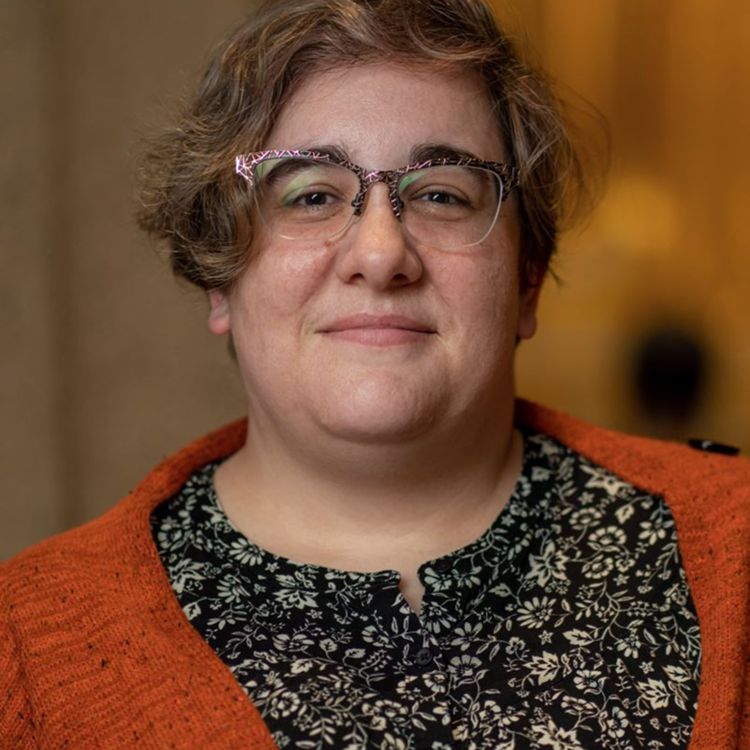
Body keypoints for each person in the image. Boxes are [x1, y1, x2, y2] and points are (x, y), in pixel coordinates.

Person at [2, 0, 748, 748]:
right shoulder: (27, 647)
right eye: (312, 195)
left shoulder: (737, 557)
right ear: (219, 278)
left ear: (528, 277)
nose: (382, 253)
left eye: (442, 194)